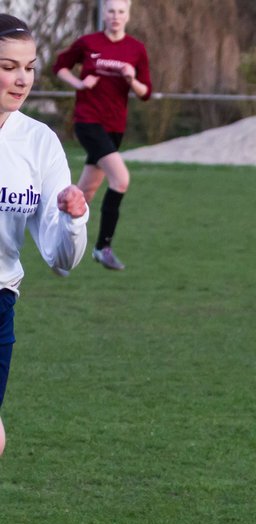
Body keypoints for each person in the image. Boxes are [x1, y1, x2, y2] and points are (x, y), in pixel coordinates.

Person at [0, 15, 90, 456]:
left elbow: (60, 260)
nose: (22, 80)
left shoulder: (40, 143)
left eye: (30, 67)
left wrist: (73, 217)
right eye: (7, 66)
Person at [53, 0, 150, 271]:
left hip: (114, 127)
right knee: (120, 179)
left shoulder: (136, 49)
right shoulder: (88, 42)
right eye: (110, 11)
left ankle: (60, 249)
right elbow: (59, 66)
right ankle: (102, 247)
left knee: (85, 192)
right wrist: (80, 84)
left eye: (121, 11)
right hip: (88, 122)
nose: (115, 16)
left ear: (128, 15)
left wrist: (132, 79)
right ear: (103, 14)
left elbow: (146, 93)